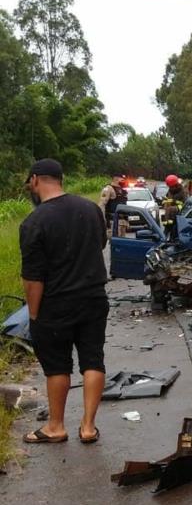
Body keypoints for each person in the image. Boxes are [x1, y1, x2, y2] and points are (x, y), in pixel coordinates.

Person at [19, 158, 109, 444]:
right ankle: (88, 427)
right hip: (94, 298)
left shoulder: (34, 222)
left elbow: (33, 278)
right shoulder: (91, 209)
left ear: (35, 180)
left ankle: (56, 427)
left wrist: (33, 315)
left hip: (56, 304)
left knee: (57, 366)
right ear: (61, 179)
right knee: (93, 359)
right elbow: (101, 244)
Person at [162, 174, 185, 240]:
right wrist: (164, 202)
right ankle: (164, 238)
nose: (170, 188)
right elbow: (166, 198)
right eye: (169, 186)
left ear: (175, 185)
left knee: (174, 232)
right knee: (166, 230)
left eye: (171, 186)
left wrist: (174, 206)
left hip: (177, 215)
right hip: (169, 215)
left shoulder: (182, 192)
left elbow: (184, 204)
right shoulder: (170, 191)